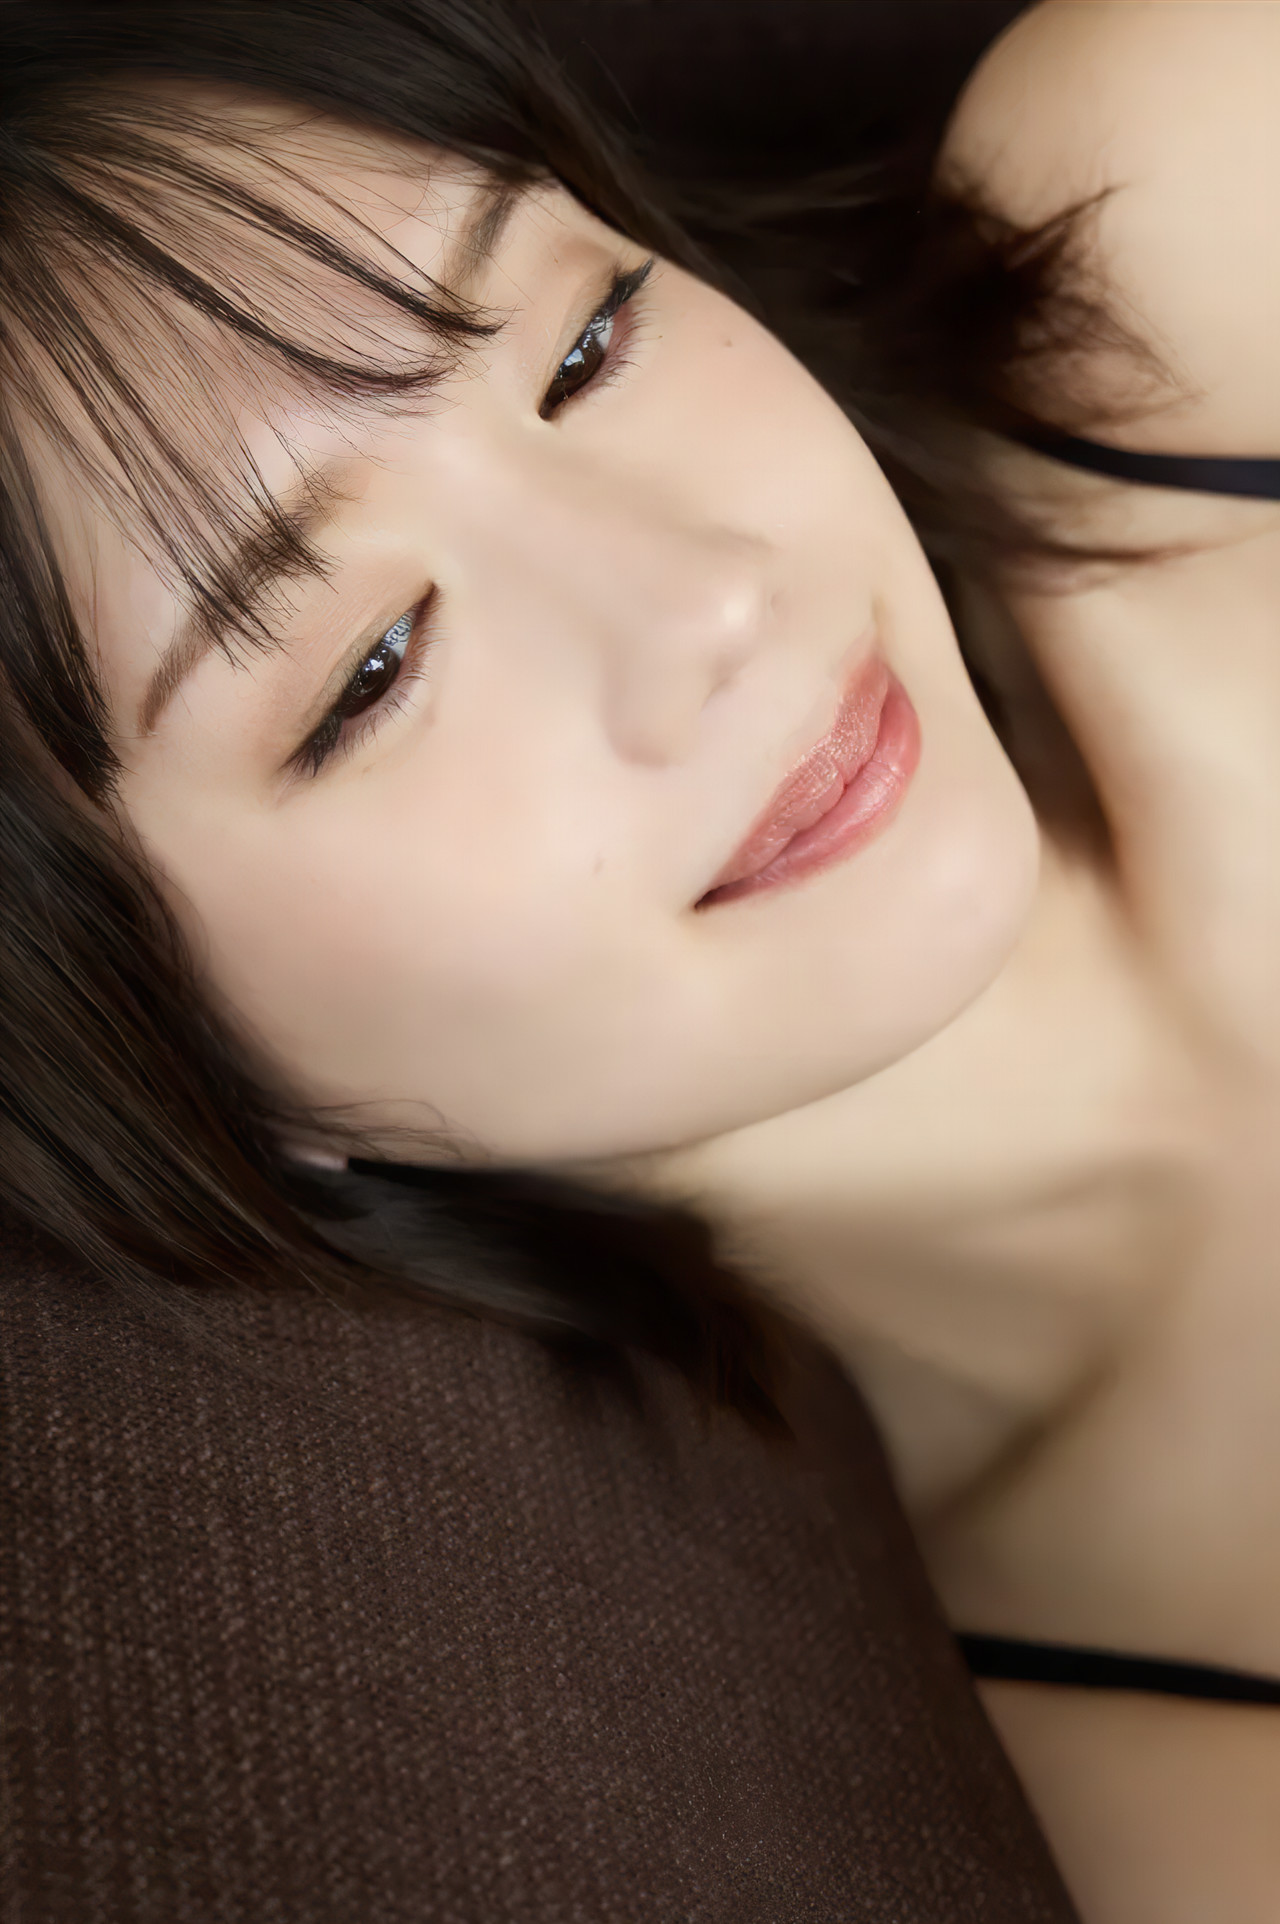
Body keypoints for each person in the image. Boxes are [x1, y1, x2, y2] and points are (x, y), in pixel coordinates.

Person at [0, 0, 1273, 1917]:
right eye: (372, 671)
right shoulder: (1153, 1808)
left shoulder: (1189, 202)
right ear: (150, 1049)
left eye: (586, 345)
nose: (709, 603)